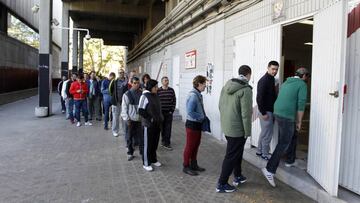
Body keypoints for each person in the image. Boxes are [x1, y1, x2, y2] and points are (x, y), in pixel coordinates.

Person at [262, 67, 309, 187]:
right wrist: (299, 121)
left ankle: (290, 160)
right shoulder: (302, 85)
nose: (307, 79)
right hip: (287, 115)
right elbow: (301, 104)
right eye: (307, 76)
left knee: (293, 135)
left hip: (278, 111)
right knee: (284, 142)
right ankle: (269, 169)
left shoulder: (286, 82)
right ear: (304, 76)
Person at [215, 65, 253, 193]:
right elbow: (246, 114)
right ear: (248, 75)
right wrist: (247, 132)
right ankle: (222, 183)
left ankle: (238, 176)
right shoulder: (246, 89)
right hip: (237, 129)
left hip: (227, 126)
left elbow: (220, 105)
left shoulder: (227, 85)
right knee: (231, 155)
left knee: (237, 152)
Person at [182, 75, 207, 176]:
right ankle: (186, 166)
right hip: (192, 124)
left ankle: (193, 164)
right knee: (190, 146)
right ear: (199, 84)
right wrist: (201, 116)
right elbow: (190, 111)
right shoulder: (193, 95)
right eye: (204, 84)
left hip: (196, 124)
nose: (205, 86)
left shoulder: (198, 94)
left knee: (196, 145)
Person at [138, 79, 163, 172]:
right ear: (151, 87)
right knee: (147, 144)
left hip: (157, 124)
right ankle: (146, 162)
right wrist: (150, 118)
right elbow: (141, 110)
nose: (157, 88)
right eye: (155, 87)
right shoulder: (144, 96)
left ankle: (153, 159)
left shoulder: (155, 95)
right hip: (148, 125)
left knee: (154, 143)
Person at [256, 61, 279, 160]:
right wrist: (263, 112)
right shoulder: (264, 80)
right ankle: (265, 153)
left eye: (276, 69)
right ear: (268, 68)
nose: (275, 71)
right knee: (267, 133)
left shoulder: (271, 79)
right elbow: (259, 98)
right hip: (266, 111)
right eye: (273, 69)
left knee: (264, 132)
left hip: (269, 110)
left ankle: (259, 150)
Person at [121, 76, 142, 161]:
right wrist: (127, 119)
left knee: (141, 137)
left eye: (138, 83)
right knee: (129, 137)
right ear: (131, 83)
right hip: (131, 119)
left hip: (140, 119)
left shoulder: (141, 93)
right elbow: (124, 107)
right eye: (134, 83)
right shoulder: (127, 94)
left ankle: (142, 151)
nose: (136, 85)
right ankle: (130, 153)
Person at [157, 76, 176, 150]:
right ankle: (163, 141)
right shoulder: (158, 90)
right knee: (162, 128)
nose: (167, 81)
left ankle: (167, 143)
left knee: (168, 128)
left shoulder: (171, 90)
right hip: (161, 113)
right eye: (165, 80)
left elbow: (174, 100)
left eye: (167, 80)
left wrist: (172, 110)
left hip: (169, 112)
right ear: (162, 82)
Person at [109, 69, 128, 137]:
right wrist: (114, 98)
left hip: (124, 102)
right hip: (116, 102)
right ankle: (115, 131)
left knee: (124, 117)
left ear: (124, 73)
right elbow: (110, 90)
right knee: (115, 117)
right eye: (120, 73)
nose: (121, 74)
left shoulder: (127, 81)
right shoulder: (114, 81)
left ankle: (125, 131)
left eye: (122, 72)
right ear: (118, 73)